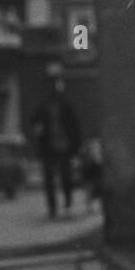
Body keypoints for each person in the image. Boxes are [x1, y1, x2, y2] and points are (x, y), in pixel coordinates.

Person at [30, 75, 82, 218]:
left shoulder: (66, 107)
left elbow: (74, 127)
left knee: (66, 178)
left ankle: (67, 203)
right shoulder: (43, 108)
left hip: (64, 147)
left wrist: (76, 147)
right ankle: (53, 208)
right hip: (49, 148)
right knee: (49, 180)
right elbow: (34, 122)